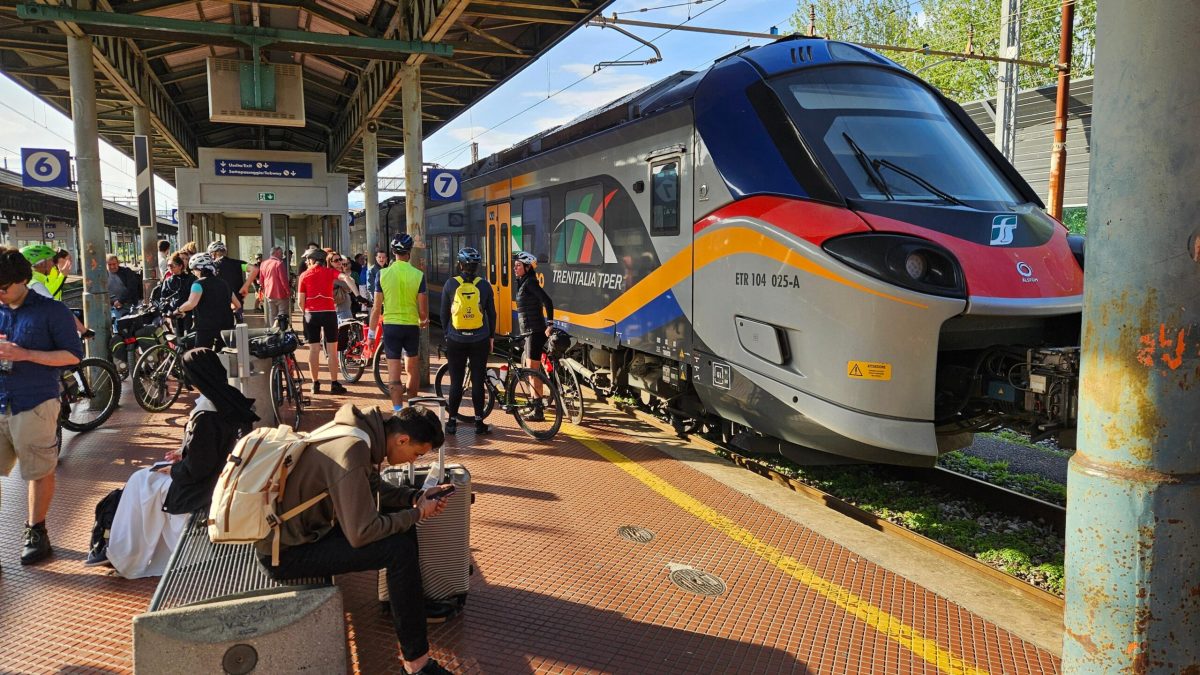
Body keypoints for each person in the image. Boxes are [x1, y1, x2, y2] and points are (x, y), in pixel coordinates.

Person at [257, 403, 456, 675]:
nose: (413, 461)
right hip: (286, 552)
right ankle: (417, 666)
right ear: (402, 439)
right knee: (399, 551)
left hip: (304, 532)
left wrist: (412, 498)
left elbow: (372, 487)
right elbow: (362, 533)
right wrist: (418, 512)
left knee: (402, 527)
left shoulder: (360, 431)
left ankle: (409, 605)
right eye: (415, 454)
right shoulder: (353, 452)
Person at [93, 348, 258, 576]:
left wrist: (175, 469)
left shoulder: (207, 416)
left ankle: (125, 553)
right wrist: (184, 453)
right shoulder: (232, 400)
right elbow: (217, 449)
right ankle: (126, 550)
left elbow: (198, 468)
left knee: (140, 481)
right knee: (145, 481)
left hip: (202, 488)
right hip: (223, 478)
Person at [0, 247, 85, 569]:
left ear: (23, 280)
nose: (0, 294)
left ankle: (36, 530)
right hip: (0, 400)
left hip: (34, 401)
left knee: (38, 470)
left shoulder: (52, 312)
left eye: (4, 288)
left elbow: (72, 356)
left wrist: (25, 354)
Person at [440, 248, 495, 435]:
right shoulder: (485, 286)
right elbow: (492, 314)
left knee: (456, 382)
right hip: (480, 339)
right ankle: (479, 423)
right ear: (477, 267)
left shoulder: (450, 284)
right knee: (478, 382)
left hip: (456, 339)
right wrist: (491, 336)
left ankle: (452, 422)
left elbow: (443, 313)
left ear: (460, 265)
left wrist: (448, 334)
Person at [370, 234, 428, 411]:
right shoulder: (418, 275)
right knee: (412, 370)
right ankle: (412, 410)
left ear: (393, 252)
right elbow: (423, 311)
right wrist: (423, 320)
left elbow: (376, 308)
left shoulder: (382, 274)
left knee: (394, 374)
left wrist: (371, 334)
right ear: (409, 252)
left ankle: (397, 411)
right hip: (411, 327)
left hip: (391, 327)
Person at [296, 248, 345, 394]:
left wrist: (305, 312)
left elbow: (300, 301)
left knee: (314, 350)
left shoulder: (304, 275)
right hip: (329, 313)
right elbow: (343, 277)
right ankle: (334, 383)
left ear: (311, 260)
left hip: (311, 314)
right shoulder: (329, 272)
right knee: (332, 350)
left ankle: (315, 384)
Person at [513, 251, 554, 420]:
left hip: (534, 332)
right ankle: (536, 405)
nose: (515, 268)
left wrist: (550, 324)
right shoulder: (524, 283)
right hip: (530, 332)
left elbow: (547, 301)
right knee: (532, 371)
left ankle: (537, 410)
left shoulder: (530, 283)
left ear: (527, 267)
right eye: (515, 265)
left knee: (532, 372)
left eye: (518, 265)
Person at [173, 252, 239, 351]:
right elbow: (237, 305)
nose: (193, 273)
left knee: (201, 356)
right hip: (226, 327)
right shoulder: (224, 283)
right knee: (223, 356)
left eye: (194, 270)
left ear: (200, 269)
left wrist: (178, 310)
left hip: (205, 328)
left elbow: (191, 303)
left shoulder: (198, 284)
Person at [21, 245, 85, 333]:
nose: (70, 262)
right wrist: (83, 330)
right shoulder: (36, 283)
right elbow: (53, 298)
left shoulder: (34, 279)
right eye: (67, 260)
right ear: (42, 263)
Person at [259, 246, 292, 327]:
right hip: (281, 294)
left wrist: (264, 291)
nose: (282, 255)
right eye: (281, 253)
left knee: (272, 314)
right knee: (282, 313)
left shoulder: (263, 264)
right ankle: (282, 332)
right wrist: (288, 292)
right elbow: (283, 280)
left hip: (269, 294)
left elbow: (261, 280)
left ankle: (273, 332)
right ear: (276, 253)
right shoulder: (279, 263)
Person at [107, 254, 143, 318]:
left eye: (114, 264)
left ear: (118, 263)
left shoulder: (126, 271)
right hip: (112, 306)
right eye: (109, 265)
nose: (112, 267)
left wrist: (121, 301)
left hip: (128, 304)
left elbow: (132, 288)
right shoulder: (105, 274)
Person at [331, 253, 359, 322]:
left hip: (345, 309)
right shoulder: (333, 275)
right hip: (340, 311)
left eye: (340, 260)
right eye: (336, 261)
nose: (340, 263)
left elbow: (351, 283)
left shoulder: (341, 275)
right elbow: (349, 284)